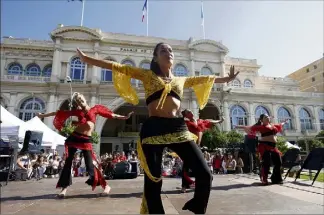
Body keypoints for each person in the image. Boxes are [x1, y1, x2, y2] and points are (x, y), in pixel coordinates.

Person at [77, 43, 238, 214]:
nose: (168, 53)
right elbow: (117, 67)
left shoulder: (181, 80)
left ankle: (198, 207)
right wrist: (87, 59)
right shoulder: (147, 75)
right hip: (154, 128)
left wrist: (226, 79)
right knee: (154, 180)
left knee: (205, 173)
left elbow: (205, 79)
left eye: (170, 50)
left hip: (178, 128)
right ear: (155, 57)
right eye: (163, 51)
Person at [37, 92, 133, 198]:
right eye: (78, 101)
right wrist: (43, 115)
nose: (80, 103)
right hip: (74, 138)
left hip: (85, 140)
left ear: (85, 99)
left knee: (89, 165)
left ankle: (106, 186)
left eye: (81, 100)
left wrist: (125, 117)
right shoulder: (78, 112)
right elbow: (59, 113)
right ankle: (64, 189)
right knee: (68, 163)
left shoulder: (95, 109)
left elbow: (111, 114)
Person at [236, 114, 288, 185]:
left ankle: (276, 178)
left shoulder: (273, 126)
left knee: (278, 162)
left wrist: (284, 122)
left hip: (273, 147)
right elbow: (250, 127)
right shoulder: (261, 127)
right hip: (264, 146)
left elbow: (280, 124)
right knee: (266, 162)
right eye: (265, 117)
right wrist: (239, 126)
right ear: (261, 120)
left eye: (268, 117)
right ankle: (264, 179)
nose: (267, 118)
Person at [180, 109, 224, 192]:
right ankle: (184, 186)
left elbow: (210, 121)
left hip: (197, 146)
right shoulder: (185, 122)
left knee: (200, 166)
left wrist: (220, 120)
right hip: (188, 146)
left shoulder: (200, 121)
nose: (191, 113)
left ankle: (201, 183)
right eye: (188, 112)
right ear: (186, 115)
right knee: (186, 167)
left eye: (191, 111)